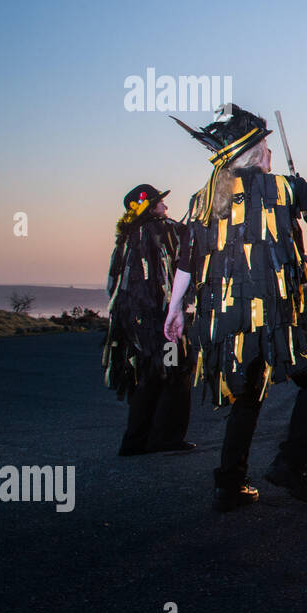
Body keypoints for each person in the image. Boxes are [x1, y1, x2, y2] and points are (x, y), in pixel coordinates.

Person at [164, 105, 307, 511]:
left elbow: (187, 259)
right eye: (267, 147)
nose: (270, 153)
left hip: (227, 323)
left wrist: (174, 308)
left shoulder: (203, 199)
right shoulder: (282, 188)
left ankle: (229, 484)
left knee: (248, 395)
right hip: (273, 320)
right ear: (257, 154)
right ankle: (291, 463)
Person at [102, 184, 195, 455]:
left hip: (135, 323)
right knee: (174, 373)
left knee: (149, 376)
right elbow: (188, 251)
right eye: (160, 203)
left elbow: (115, 284)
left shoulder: (128, 237)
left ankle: (135, 440)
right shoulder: (162, 230)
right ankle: (165, 437)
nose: (166, 207)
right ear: (152, 207)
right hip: (160, 321)